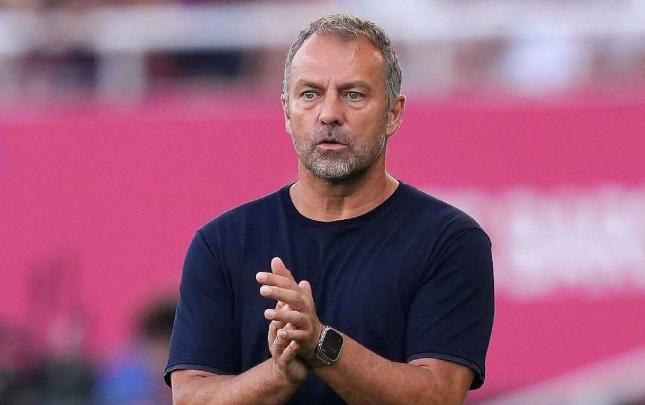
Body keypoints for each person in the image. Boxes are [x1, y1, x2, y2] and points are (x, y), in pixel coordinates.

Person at [165, 13, 494, 404]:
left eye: (353, 94)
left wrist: (321, 343)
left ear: (393, 113)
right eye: (310, 94)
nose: (329, 113)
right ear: (287, 112)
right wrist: (278, 375)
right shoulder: (221, 243)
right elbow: (191, 397)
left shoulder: (449, 241)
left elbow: (437, 396)